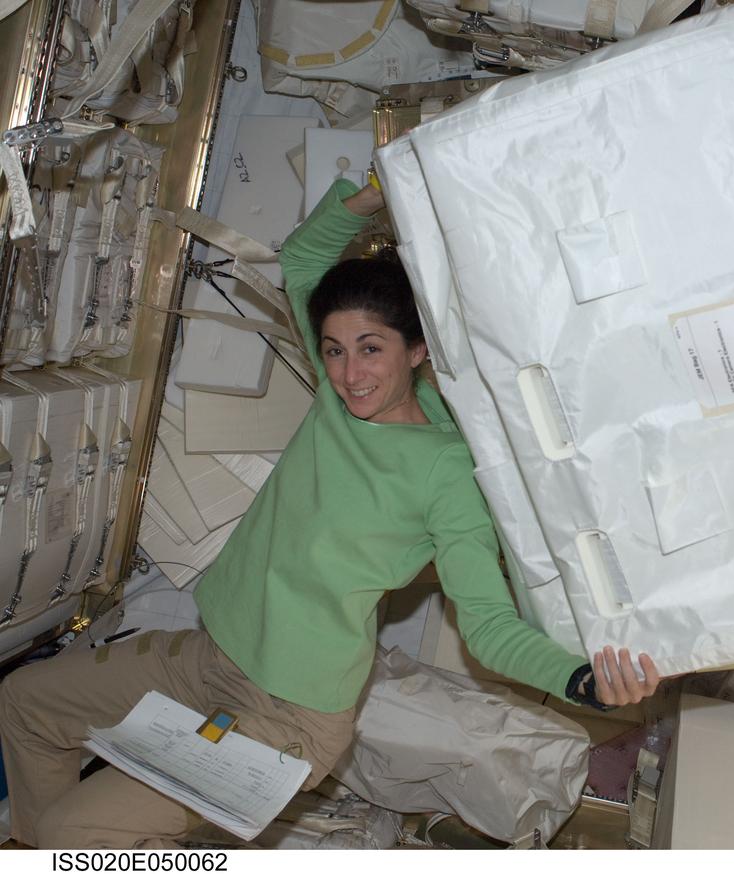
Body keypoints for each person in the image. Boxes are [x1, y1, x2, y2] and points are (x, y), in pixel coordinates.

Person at [0, 179, 662, 848]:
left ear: (418, 350)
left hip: (287, 716)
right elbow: (302, 261)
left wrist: (580, 680)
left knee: (75, 837)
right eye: (336, 350)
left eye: (371, 348)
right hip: (213, 655)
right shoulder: (338, 400)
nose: (350, 373)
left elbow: (487, 627)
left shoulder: (447, 470)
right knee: (26, 703)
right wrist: (378, 189)